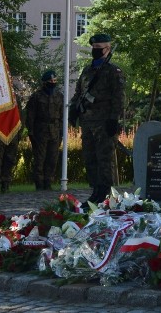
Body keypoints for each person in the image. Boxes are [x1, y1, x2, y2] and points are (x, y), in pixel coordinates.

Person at [69, 34, 125, 205]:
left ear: (107, 49)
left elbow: (119, 98)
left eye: (99, 47)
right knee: (90, 157)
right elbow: (79, 92)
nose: (95, 50)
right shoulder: (87, 70)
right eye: (94, 47)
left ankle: (105, 194)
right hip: (87, 121)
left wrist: (114, 119)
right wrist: (73, 109)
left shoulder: (113, 72)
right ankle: (95, 191)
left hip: (104, 122)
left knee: (104, 158)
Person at [26, 70, 63, 190]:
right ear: (45, 82)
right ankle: (39, 183)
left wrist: (62, 131)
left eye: (55, 80)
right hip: (40, 130)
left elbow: (62, 115)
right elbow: (30, 115)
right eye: (51, 81)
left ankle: (48, 181)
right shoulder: (36, 96)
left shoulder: (59, 96)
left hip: (55, 130)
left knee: (53, 157)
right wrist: (30, 131)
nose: (53, 82)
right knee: (40, 158)